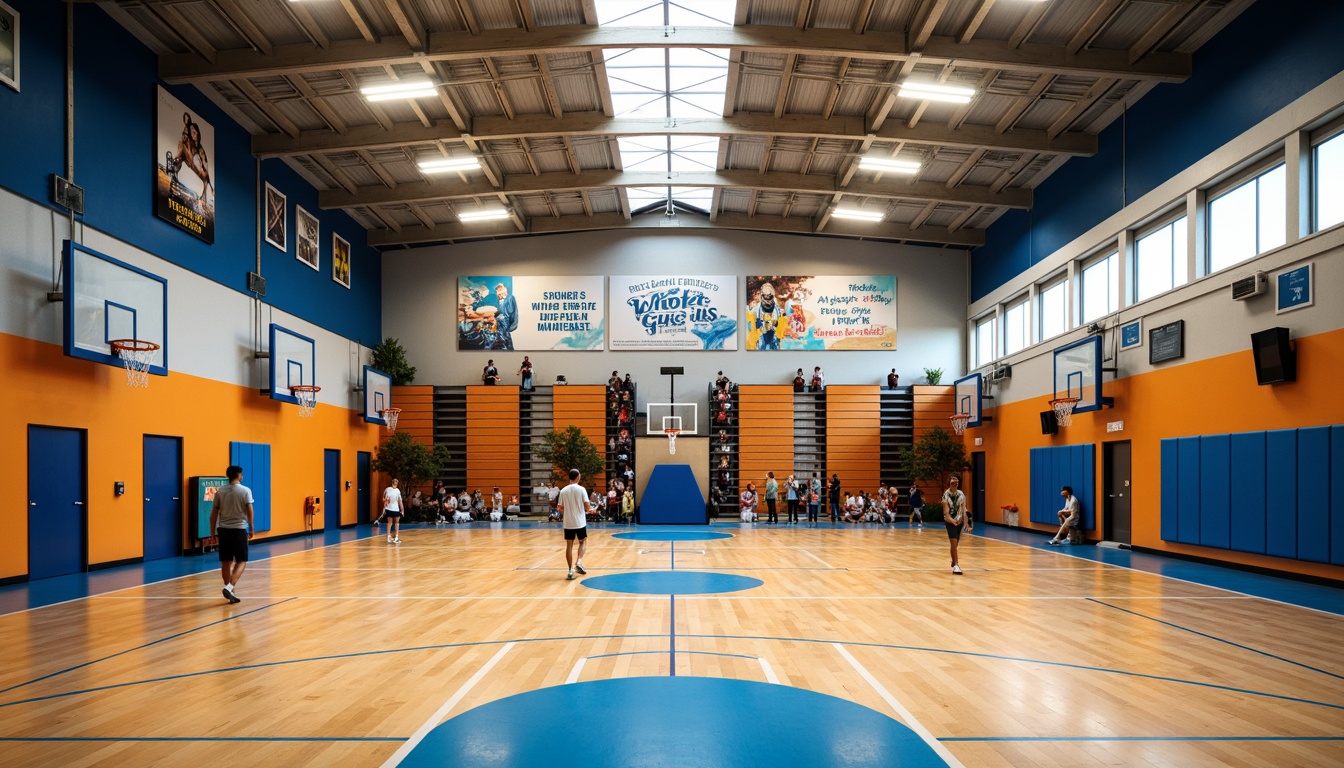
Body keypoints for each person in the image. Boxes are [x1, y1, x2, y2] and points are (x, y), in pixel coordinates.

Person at [211, 465, 254, 603]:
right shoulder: (245, 491)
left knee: (226, 561)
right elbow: (250, 512)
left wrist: (212, 532)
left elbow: (214, 514)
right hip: (239, 529)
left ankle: (231, 593)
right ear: (239, 475)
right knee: (241, 561)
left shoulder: (220, 492)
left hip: (223, 529)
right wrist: (252, 528)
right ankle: (229, 588)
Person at [556, 468, 593, 580]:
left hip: (568, 522)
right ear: (577, 477)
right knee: (583, 541)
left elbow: (559, 508)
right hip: (580, 522)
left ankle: (570, 571)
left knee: (569, 545)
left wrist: (566, 514)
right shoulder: (581, 489)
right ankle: (579, 561)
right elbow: (587, 505)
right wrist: (589, 510)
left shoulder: (563, 491)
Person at [746, 281, 787, 350]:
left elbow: (782, 326)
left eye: (769, 295)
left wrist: (775, 324)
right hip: (761, 336)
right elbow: (753, 325)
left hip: (774, 336)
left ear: (773, 295)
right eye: (765, 295)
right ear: (762, 295)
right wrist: (762, 326)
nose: (767, 297)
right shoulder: (756, 309)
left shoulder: (778, 309)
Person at [942, 475, 970, 575]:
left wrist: (966, 522)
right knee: (953, 544)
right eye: (953, 480)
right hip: (950, 522)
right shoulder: (946, 495)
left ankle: (953, 561)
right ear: (949, 482)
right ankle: (956, 565)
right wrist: (952, 521)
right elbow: (946, 512)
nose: (955, 482)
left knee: (955, 545)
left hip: (959, 522)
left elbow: (964, 509)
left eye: (956, 481)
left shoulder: (961, 494)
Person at [493, 283, 519, 350]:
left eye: (500, 290)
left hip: (506, 326)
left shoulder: (510, 298)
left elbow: (514, 313)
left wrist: (511, 327)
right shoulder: (498, 301)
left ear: (505, 290)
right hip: (498, 327)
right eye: (497, 291)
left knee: (507, 344)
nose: (498, 292)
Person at [382, 478, 404, 544]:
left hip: (388, 509)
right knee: (397, 523)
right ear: (396, 484)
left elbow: (384, 499)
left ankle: (388, 537)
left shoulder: (387, 489)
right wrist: (402, 510)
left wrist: (384, 508)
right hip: (395, 509)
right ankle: (396, 537)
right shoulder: (397, 491)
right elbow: (400, 501)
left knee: (389, 523)